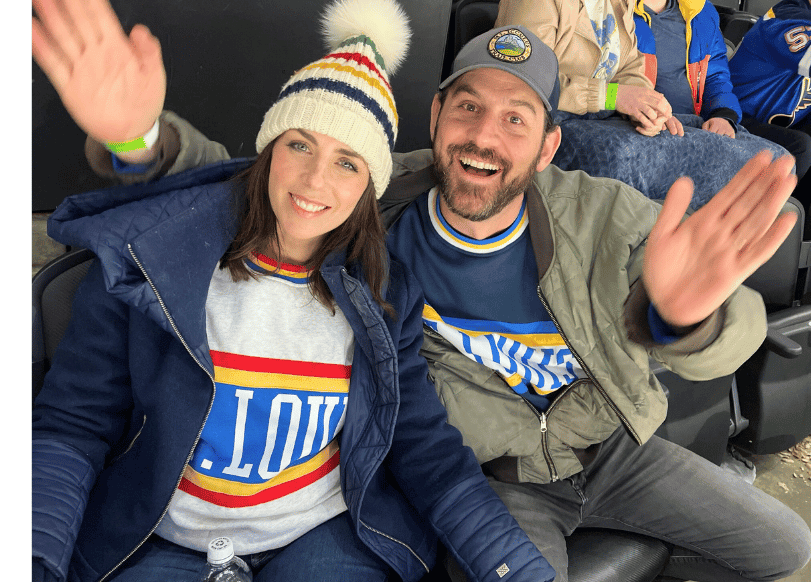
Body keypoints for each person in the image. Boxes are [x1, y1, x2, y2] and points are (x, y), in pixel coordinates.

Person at [39, 12, 811, 582]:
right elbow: (252, 176)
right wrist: (140, 141)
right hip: (498, 481)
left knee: (786, 548)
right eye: (468, 107)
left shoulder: (602, 213)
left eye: (516, 119)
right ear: (437, 116)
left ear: (548, 144)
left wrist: (679, 316)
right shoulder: (379, 202)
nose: (484, 135)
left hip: (607, 452)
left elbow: (730, 318)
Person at [30, 1, 556, 581]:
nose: (315, 182)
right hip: (162, 538)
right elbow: (73, 424)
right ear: (269, 149)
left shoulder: (383, 293)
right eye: (300, 145)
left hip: (322, 537)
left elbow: (424, 448)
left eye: (348, 163)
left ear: (369, 186)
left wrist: (518, 571)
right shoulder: (153, 257)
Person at [494, 0, 788, 211]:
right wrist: (614, 97)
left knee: (776, 158)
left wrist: (648, 109)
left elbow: (632, 65)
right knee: (623, 155)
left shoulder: (618, 3)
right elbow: (523, 81)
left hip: (606, 118)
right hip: (556, 124)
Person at [728, 0, 811, 209]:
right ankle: (763, 220)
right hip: (736, 119)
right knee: (801, 146)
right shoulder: (784, 16)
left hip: (784, 126)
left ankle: (808, 232)